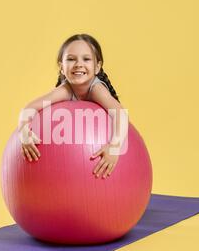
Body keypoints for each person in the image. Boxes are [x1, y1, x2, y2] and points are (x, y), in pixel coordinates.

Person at [17, 34, 128, 178]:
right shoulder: (65, 90)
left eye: (86, 59)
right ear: (62, 67)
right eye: (71, 59)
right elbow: (29, 108)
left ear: (97, 67)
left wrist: (114, 147)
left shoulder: (97, 89)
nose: (78, 64)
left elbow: (120, 113)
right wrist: (24, 132)